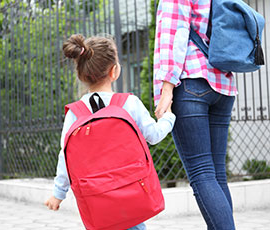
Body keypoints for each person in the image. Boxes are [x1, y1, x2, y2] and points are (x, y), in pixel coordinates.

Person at [44, 34, 176, 230]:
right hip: (131, 195)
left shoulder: (75, 113)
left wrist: (58, 193)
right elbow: (154, 136)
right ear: (114, 71)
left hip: (96, 202)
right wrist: (168, 117)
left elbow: (65, 156)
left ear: (81, 74)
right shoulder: (129, 103)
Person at [153, 0, 238, 229]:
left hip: (191, 82)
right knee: (216, 174)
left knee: (202, 174)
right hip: (223, 84)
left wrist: (167, 87)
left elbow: (174, 33)